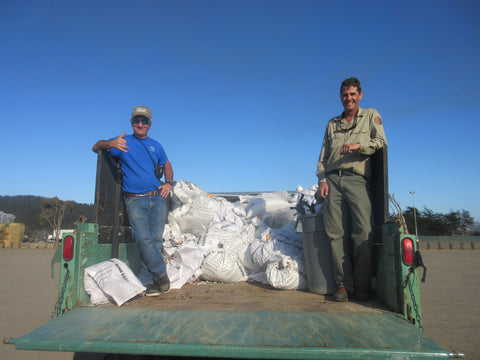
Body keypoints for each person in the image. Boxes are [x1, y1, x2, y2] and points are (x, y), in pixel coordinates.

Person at [316, 78, 387, 302]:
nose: (349, 98)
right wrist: (322, 180)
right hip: (333, 181)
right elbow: (323, 158)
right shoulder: (332, 124)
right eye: (345, 95)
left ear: (360, 95)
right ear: (341, 97)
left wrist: (359, 146)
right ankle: (342, 286)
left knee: (362, 233)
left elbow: (381, 142)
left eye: (353, 94)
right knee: (336, 235)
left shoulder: (371, 116)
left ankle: (362, 284)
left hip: (357, 180)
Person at [92, 105, 174, 297]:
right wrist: (110, 143)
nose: (140, 124)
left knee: (155, 240)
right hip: (135, 200)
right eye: (136, 121)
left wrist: (168, 183)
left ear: (149, 124)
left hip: (158, 197)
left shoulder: (156, 145)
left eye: (144, 121)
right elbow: (96, 146)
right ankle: (162, 275)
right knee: (143, 238)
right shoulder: (122, 142)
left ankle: (150, 281)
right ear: (131, 123)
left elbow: (167, 165)